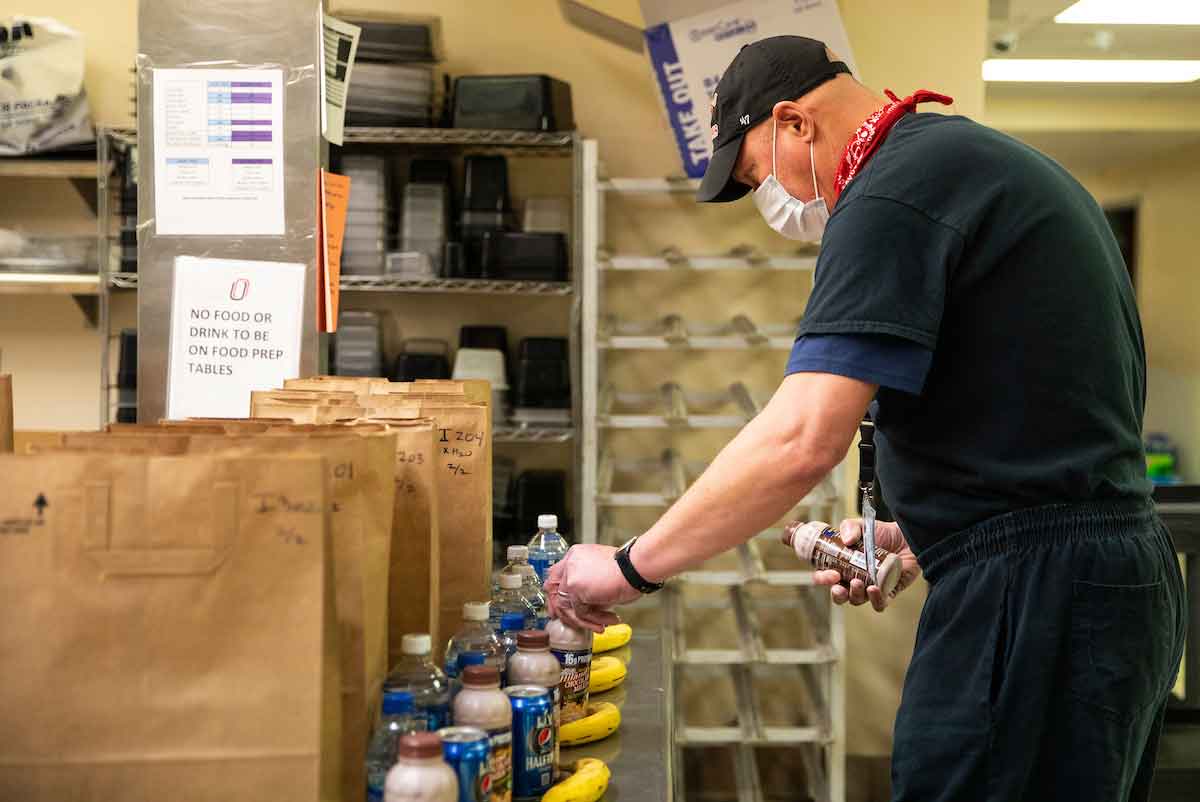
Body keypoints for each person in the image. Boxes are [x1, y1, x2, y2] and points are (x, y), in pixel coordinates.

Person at [545, 35, 1186, 802]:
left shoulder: (889, 194)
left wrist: (626, 568)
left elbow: (800, 438)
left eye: (755, 174)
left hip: (1038, 599)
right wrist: (926, 528)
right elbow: (1040, 400)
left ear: (794, 124)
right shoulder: (964, 163)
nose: (769, 201)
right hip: (1100, 578)